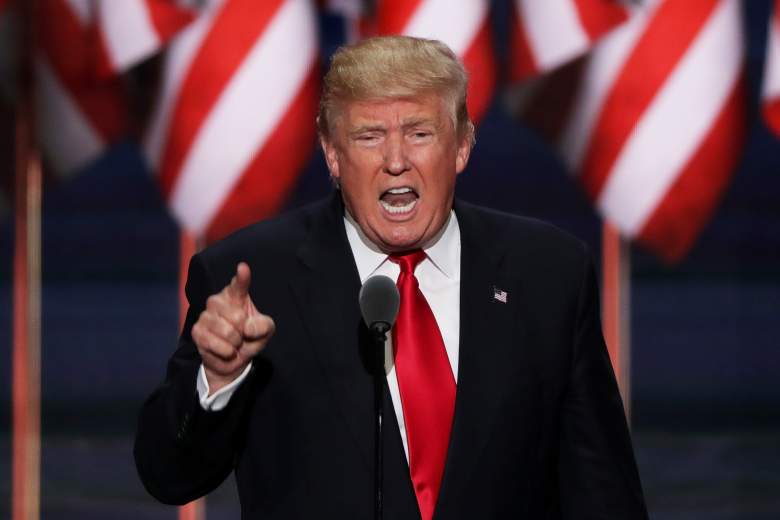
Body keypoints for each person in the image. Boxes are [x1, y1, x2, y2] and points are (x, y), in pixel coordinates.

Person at [135, 36, 648, 519]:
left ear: (463, 145)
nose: (396, 161)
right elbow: (168, 474)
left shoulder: (547, 272)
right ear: (333, 154)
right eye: (369, 137)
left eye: (420, 134)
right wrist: (217, 381)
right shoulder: (254, 279)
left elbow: (602, 492)